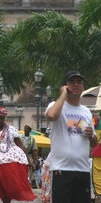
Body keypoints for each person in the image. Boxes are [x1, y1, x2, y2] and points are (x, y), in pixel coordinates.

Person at [45, 70, 98, 203]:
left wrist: (91, 135)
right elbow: (51, 116)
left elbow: (94, 143)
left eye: (79, 82)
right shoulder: (56, 106)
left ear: (83, 86)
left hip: (83, 169)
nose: (76, 85)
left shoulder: (86, 112)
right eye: (71, 82)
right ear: (65, 86)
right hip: (62, 169)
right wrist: (63, 94)